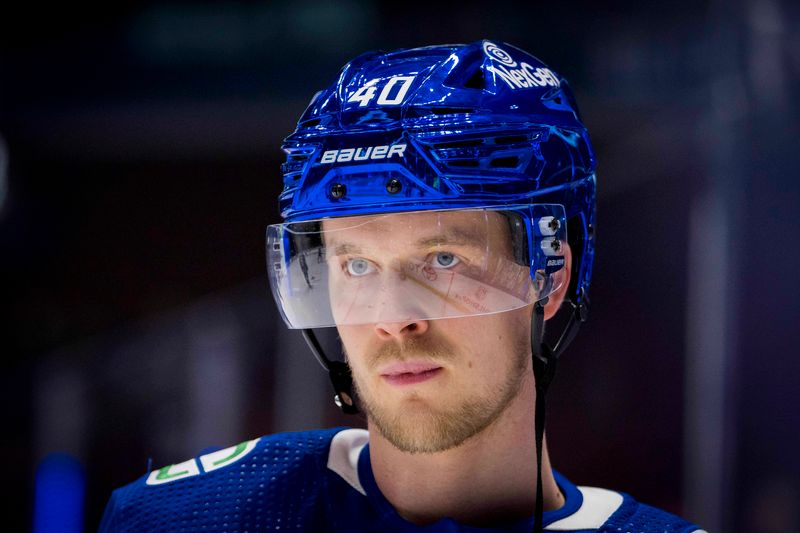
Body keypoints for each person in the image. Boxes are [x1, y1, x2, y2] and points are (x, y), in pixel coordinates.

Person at [100, 40, 705, 532]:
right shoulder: (185, 520)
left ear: (549, 276)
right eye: (357, 266)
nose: (392, 318)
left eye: (442, 260)